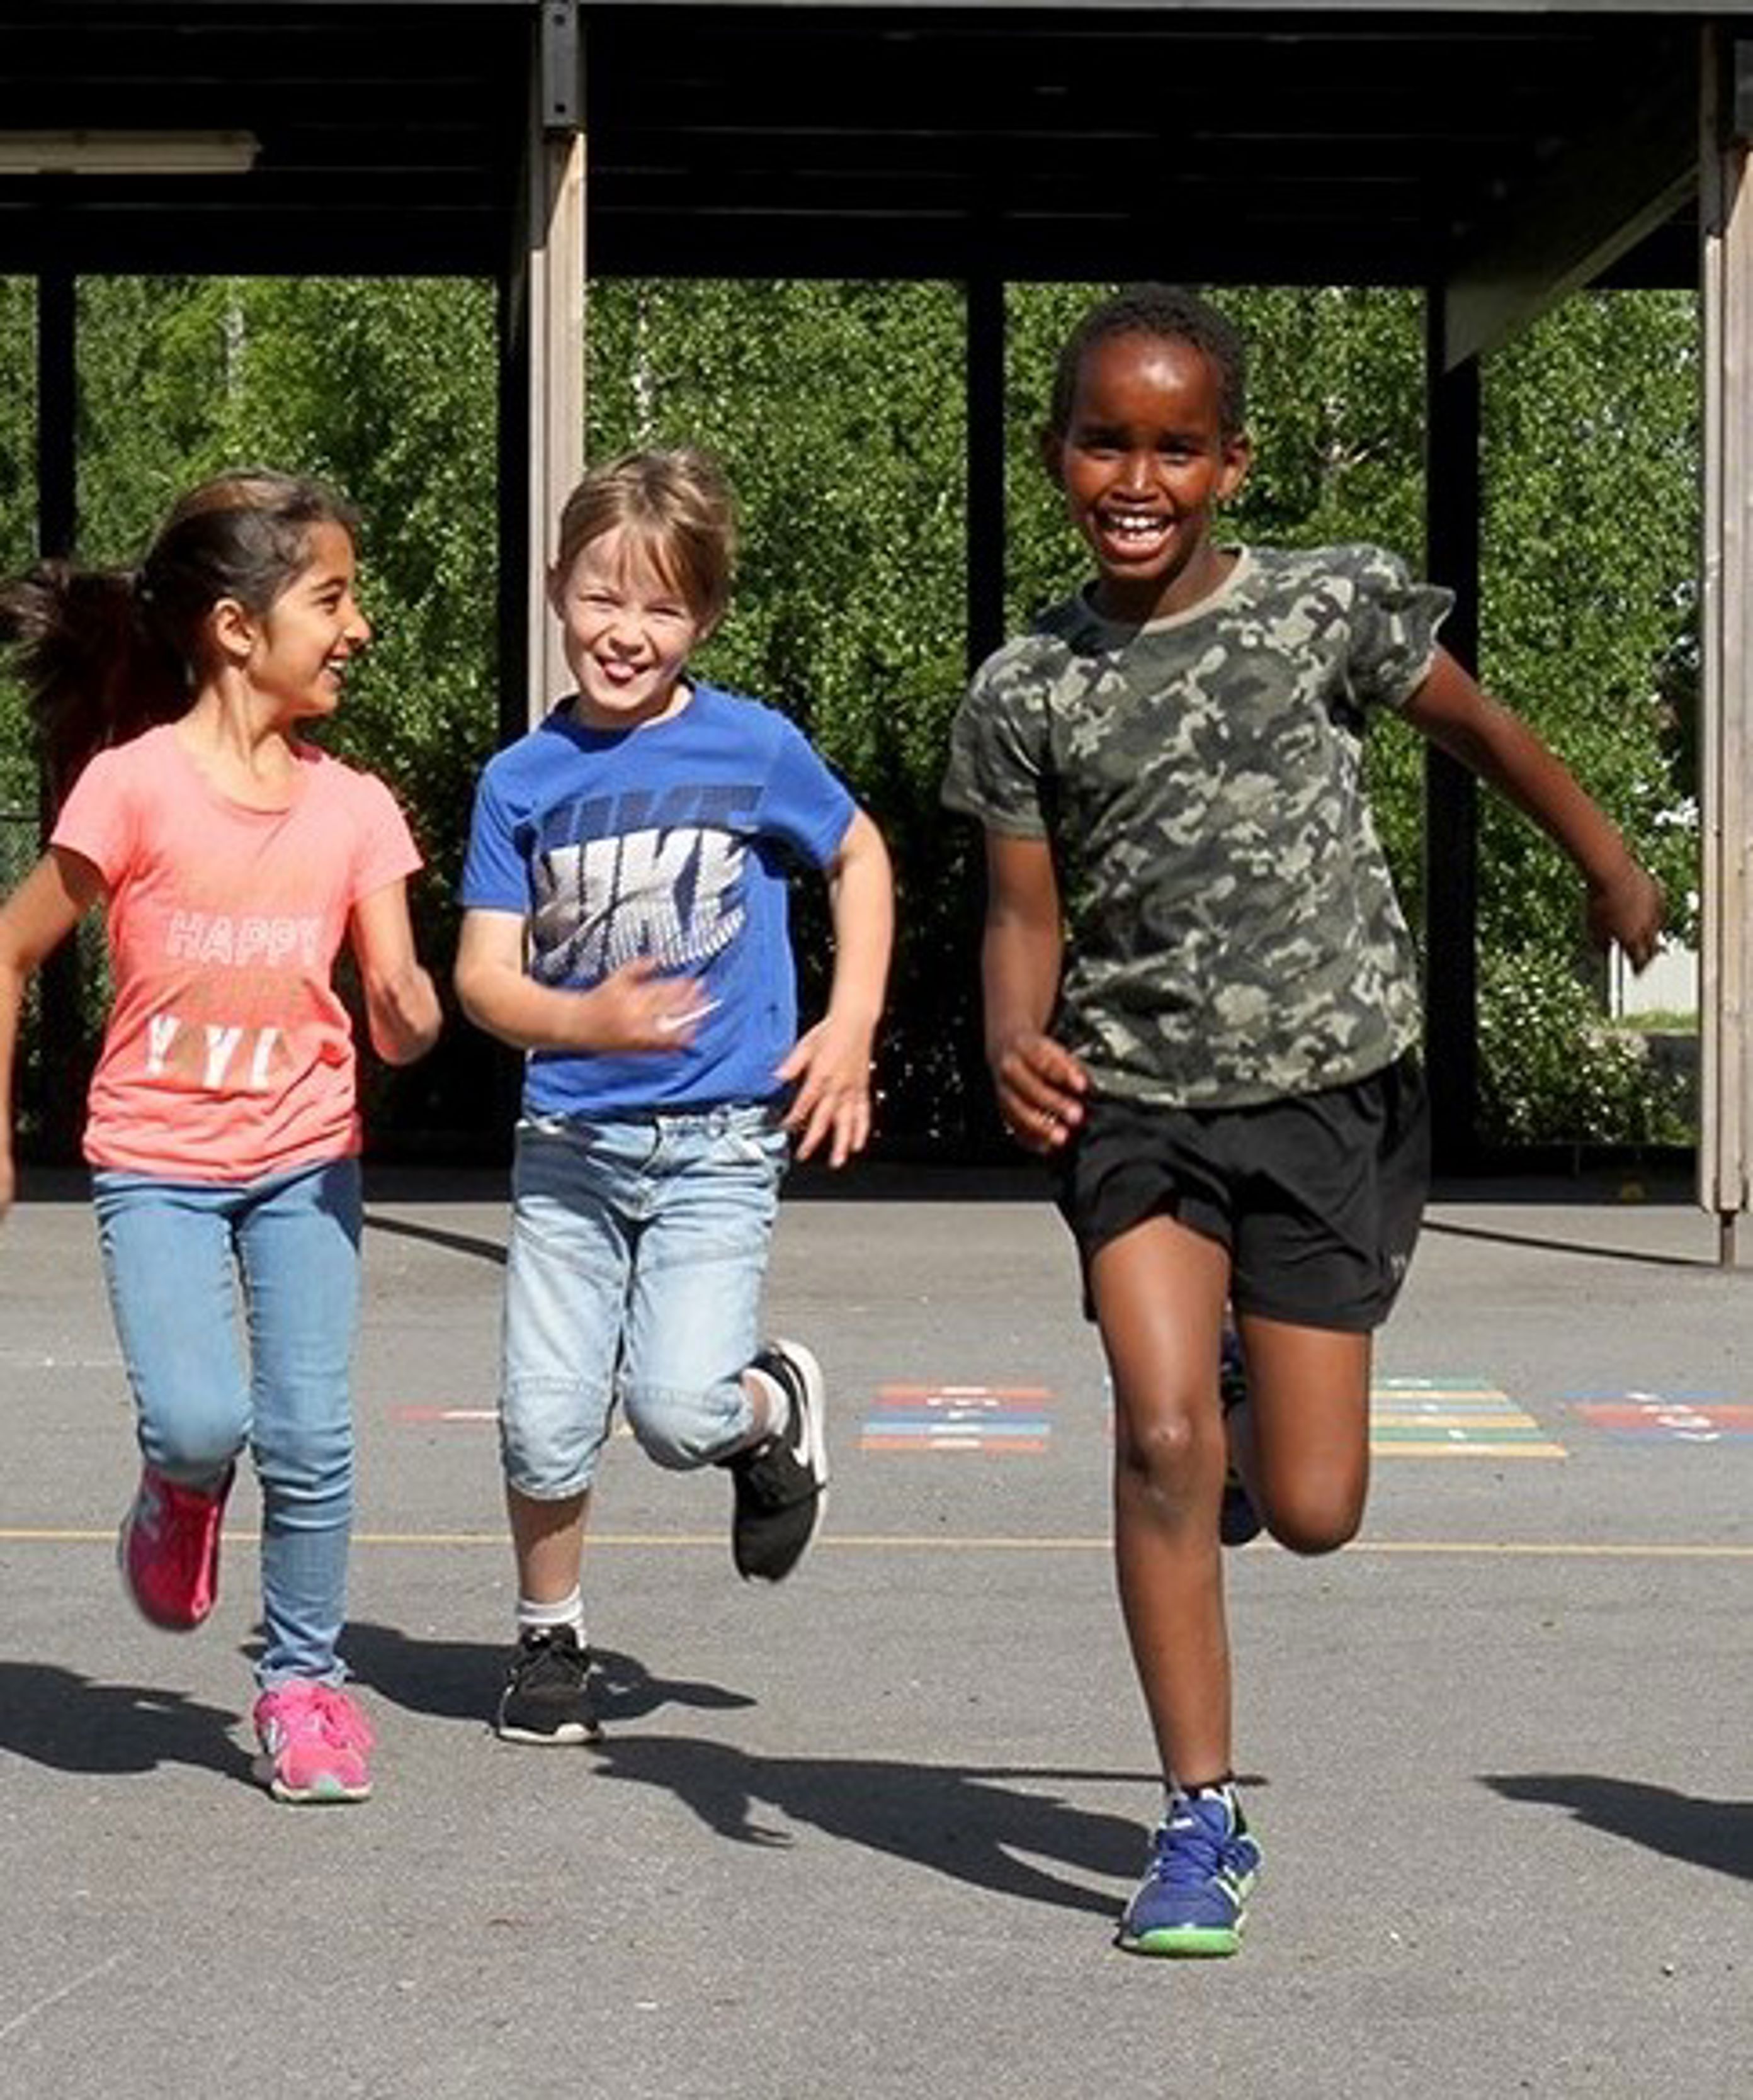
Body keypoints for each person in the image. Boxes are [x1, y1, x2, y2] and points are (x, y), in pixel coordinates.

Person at [941, 285, 1663, 1957]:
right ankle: (1199, 1819)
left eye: (1174, 448)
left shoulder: (1327, 608)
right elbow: (1024, 913)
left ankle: (1243, 1387)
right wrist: (1011, 1036)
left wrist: (1610, 861)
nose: (1137, 480)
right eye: (1104, 443)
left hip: (1332, 1095)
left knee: (1316, 1506)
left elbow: (1483, 732)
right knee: (1158, 1441)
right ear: (1057, 456)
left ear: (1232, 463)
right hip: (1134, 1101)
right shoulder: (1029, 686)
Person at [0, 470, 441, 1804]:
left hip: (306, 1158)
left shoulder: (356, 808)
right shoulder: (132, 789)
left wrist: (410, 1011)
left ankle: (303, 1686)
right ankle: (179, 1488)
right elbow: (11, 950)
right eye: (333, 599)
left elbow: (397, 1002)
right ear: (238, 629)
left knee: (310, 1438)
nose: (359, 628)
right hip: (158, 1164)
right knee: (201, 1420)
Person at [455, 446, 893, 1745]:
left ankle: (771, 1410)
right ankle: (549, 1642)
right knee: (544, 1419)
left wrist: (850, 1025)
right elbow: (483, 977)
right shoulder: (522, 781)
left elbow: (859, 855)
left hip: (718, 1145)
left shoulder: (751, 746)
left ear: (704, 617)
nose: (626, 631)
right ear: (556, 589)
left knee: (676, 1410)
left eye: (660, 607)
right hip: (569, 1147)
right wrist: (579, 1019)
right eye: (602, 596)